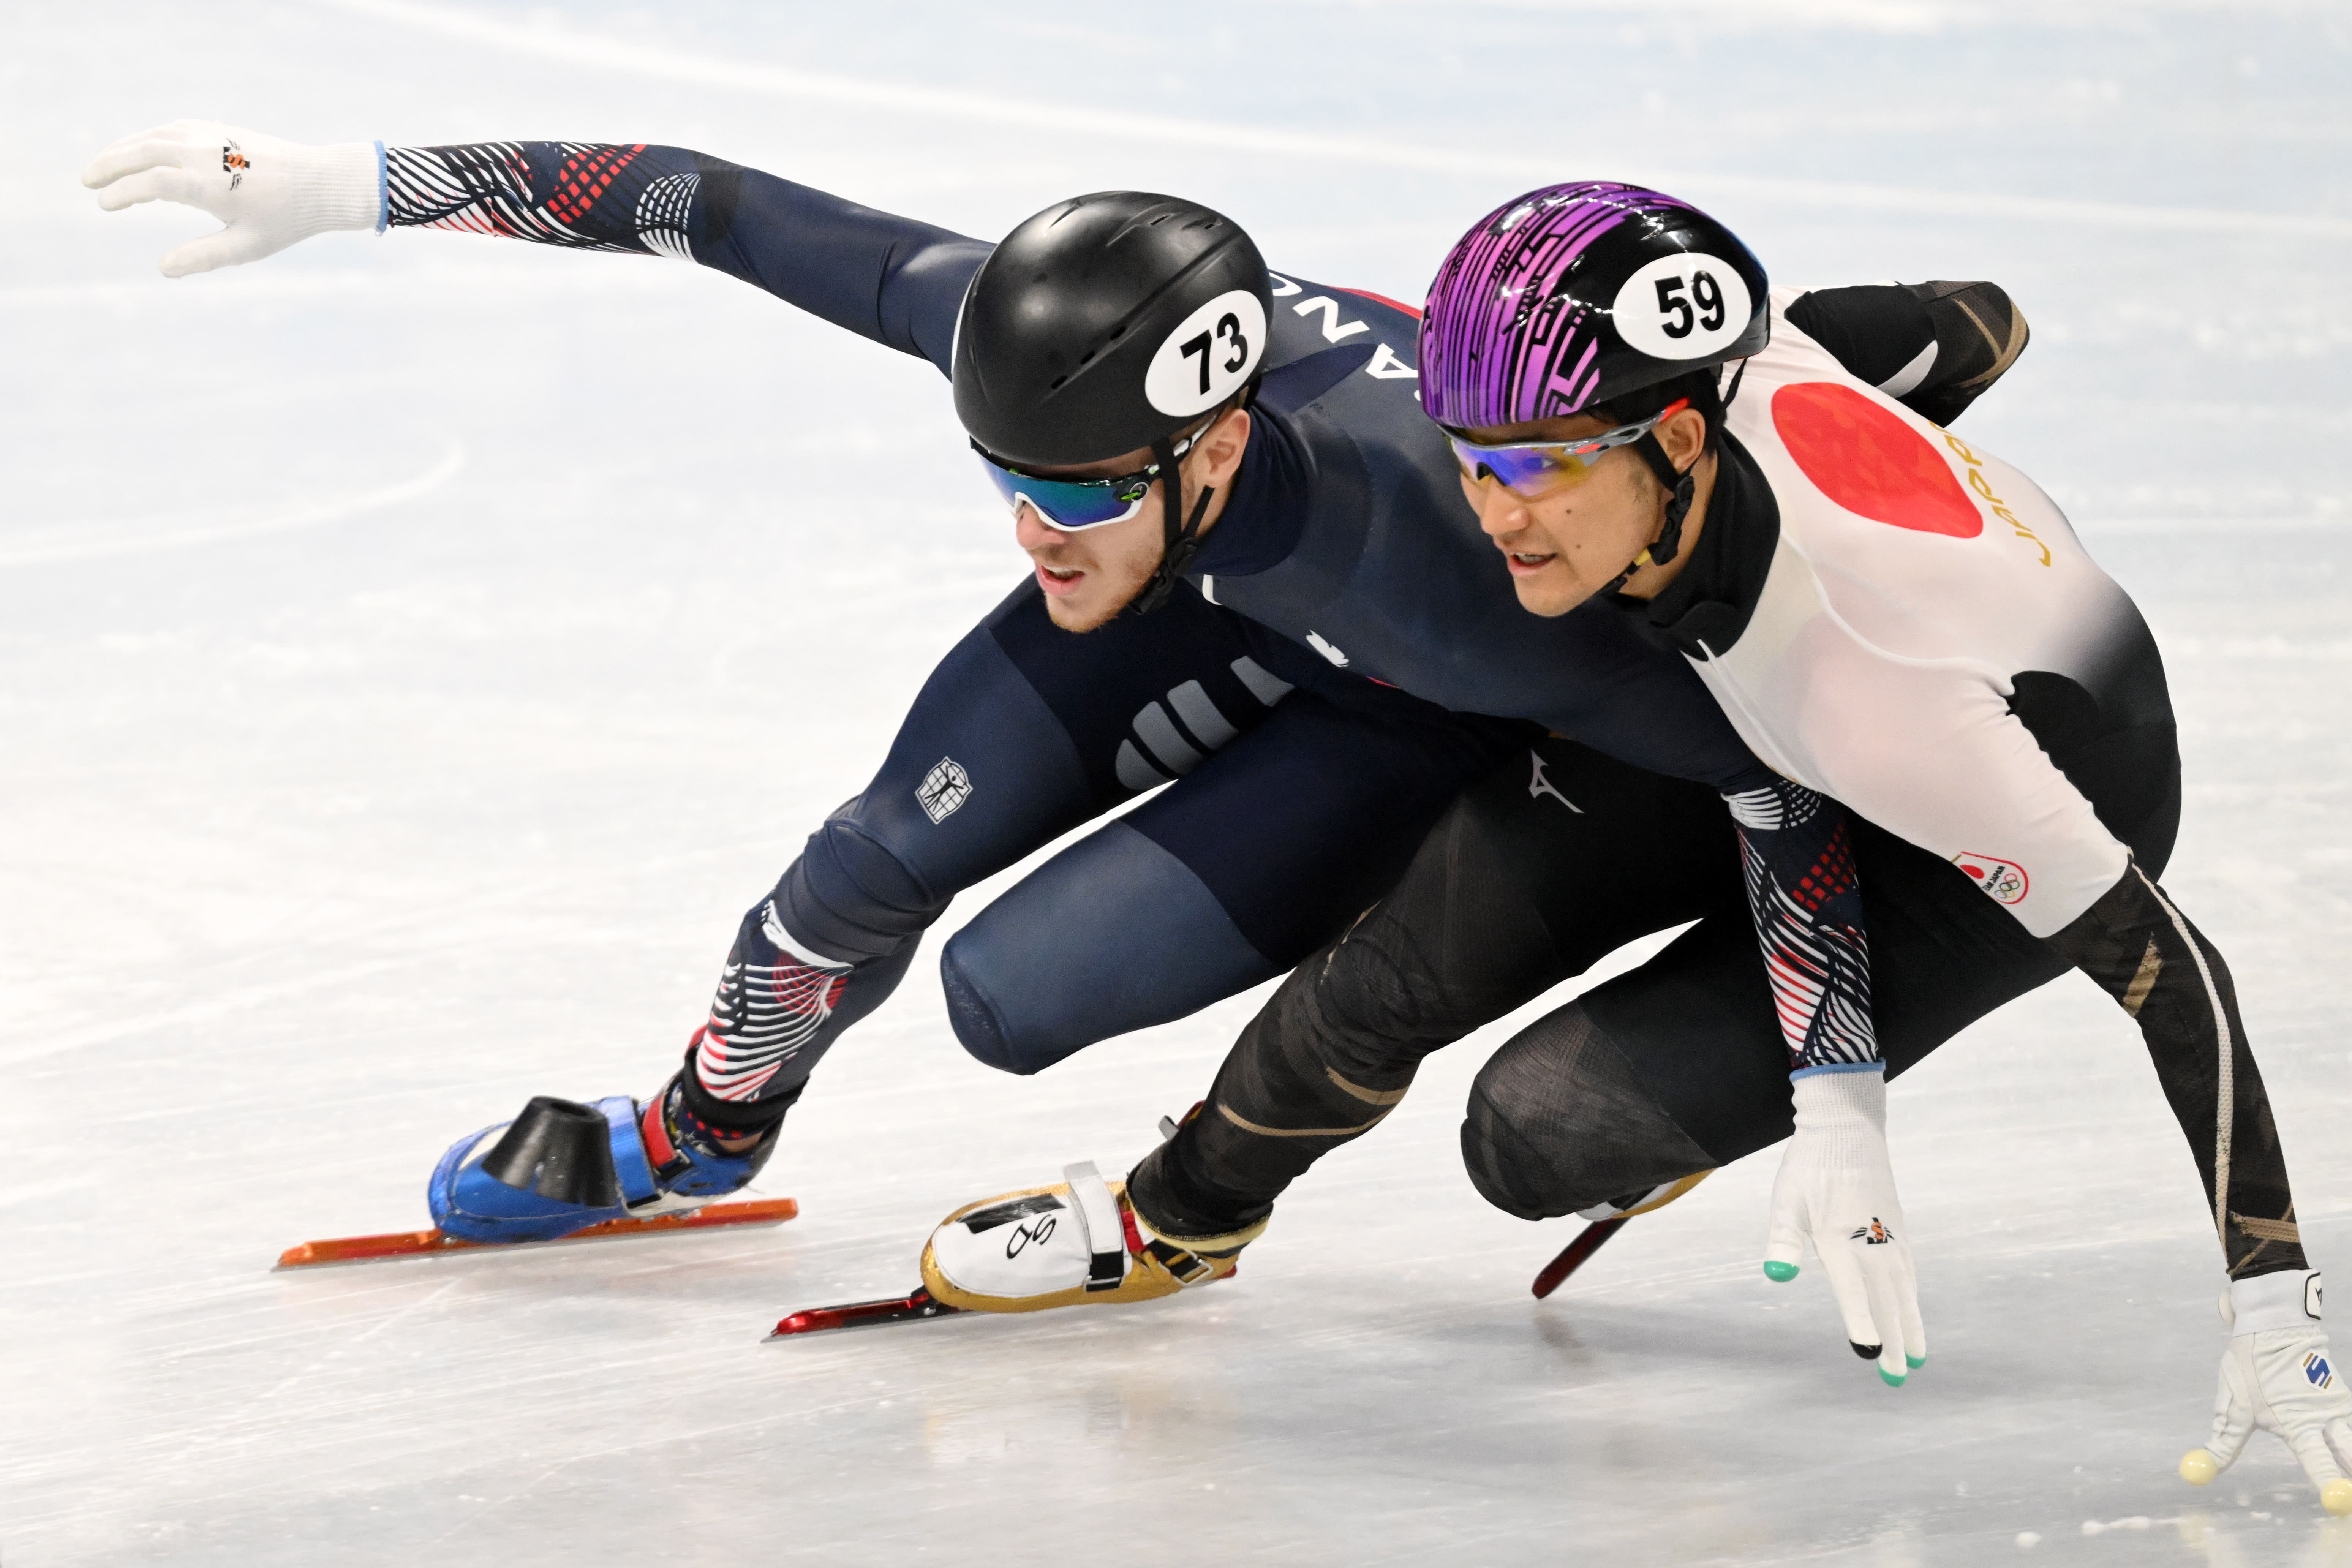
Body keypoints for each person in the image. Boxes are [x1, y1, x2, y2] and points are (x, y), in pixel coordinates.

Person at [81, 125, 2018, 1361]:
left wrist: (1819, 1085)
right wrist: (342, 189)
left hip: (1425, 696)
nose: (1028, 524)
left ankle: (1891, 335)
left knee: (1036, 994)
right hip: (1231, 601)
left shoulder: (1446, 558)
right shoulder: (1056, 378)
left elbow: (1771, 776)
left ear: (1217, 440)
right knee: (883, 889)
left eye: (1071, 489)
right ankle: (691, 1132)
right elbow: (702, 204)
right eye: (1003, 471)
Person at [917, 181, 2351, 1509]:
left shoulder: (1872, 689)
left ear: (1674, 440)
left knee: (1535, 1134)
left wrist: (2275, 1295)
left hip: (1956, 818)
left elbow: (2181, 977)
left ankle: (1703, 1099)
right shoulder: (1731, 377)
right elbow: (1976, 318)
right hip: (1736, 722)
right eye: (1473, 463)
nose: (1494, 517)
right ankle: (1182, 1219)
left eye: (1537, 468)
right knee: (1401, 967)